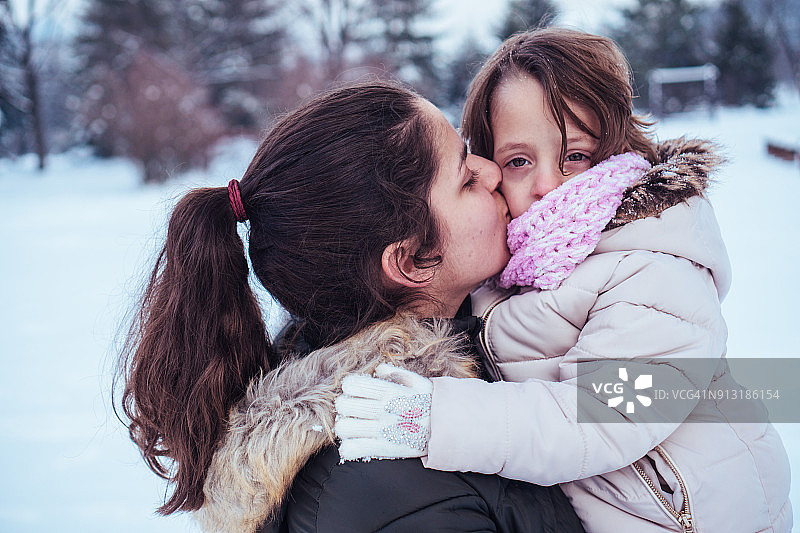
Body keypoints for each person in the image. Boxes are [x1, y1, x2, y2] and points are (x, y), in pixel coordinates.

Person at [334, 29, 792, 532]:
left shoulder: (653, 268)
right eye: (519, 161)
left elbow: (600, 415)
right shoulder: (507, 267)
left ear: (617, 147)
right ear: (487, 166)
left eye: (574, 155)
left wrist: (436, 420)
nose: (547, 184)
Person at [116, 81, 585, 532]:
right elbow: (654, 394)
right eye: (465, 178)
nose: (492, 171)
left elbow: (651, 396)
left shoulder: (507, 314)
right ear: (410, 260)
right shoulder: (384, 481)